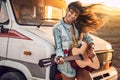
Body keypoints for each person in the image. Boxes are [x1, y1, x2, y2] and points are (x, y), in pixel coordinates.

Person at [53, 1, 104, 80]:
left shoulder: (78, 26)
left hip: (80, 63)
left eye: (75, 15)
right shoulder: (57, 28)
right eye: (72, 12)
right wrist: (59, 57)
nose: (73, 16)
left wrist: (91, 49)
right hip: (67, 66)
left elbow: (89, 39)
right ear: (67, 10)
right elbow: (58, 47)